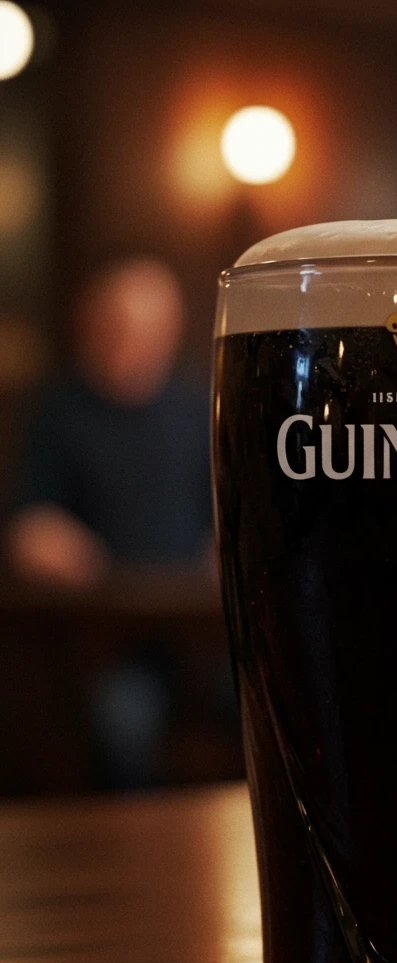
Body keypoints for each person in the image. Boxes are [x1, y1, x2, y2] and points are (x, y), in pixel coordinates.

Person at [4, 257, 213, 788]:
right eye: (122, 325)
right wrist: (44, 539)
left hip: (200, 635)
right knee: (123, 723)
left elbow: (223, 519)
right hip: (108, 642)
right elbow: (30, 524)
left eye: (151, 328)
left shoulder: (197, 411)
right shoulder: (59, 413)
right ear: (93, 324)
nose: (135, 341)